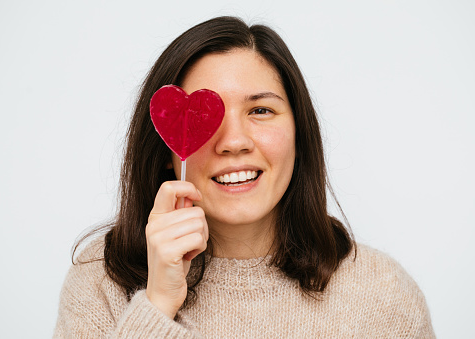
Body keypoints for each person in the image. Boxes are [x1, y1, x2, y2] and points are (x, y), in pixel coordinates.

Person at [54, 16, 435, 338]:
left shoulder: (384, 297)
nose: (234, 142)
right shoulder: (100, 285)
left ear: (299, 134)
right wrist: (157, 304)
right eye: (206, 116)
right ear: (167, 151)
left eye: (261, 111)